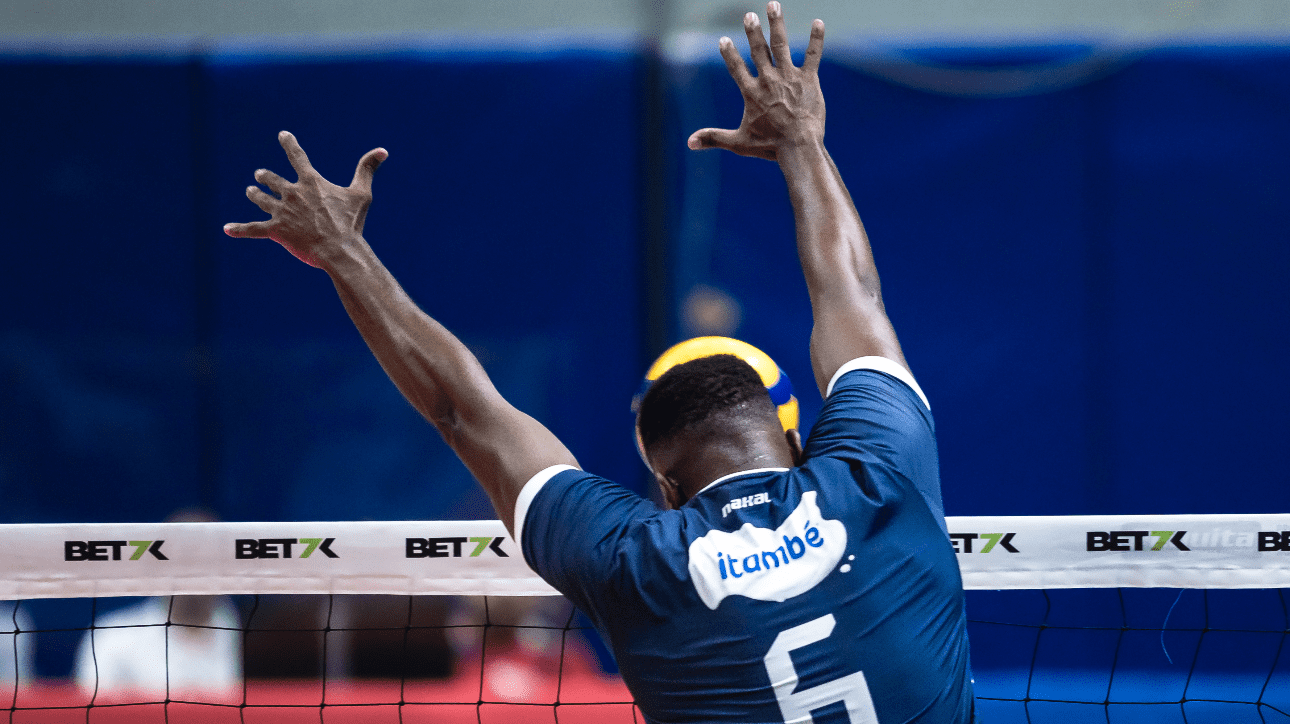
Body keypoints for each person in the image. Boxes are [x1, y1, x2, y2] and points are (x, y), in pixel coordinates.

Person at [224, 2, 975, 720]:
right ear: (792, 439)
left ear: (667, 488)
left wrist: (343, 255)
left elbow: (462, 409)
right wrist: (802, 142)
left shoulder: (633, 560)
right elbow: (854, 297)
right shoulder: (881, 478)